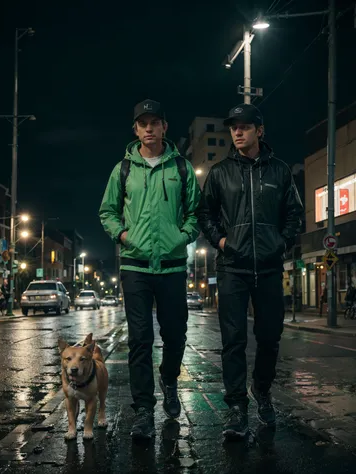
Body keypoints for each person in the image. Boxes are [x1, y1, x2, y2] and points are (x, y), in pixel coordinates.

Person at [197, 103, 303, 439]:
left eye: (244, 126)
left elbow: (294, 213)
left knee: (270, 337)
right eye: (233, 127)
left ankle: (262, 389)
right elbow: (205, 214)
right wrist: (223, 241)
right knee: (233, 341)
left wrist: (280, 243)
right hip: (232, 268)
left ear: (260, 130)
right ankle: (236, 410)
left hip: (270, 267)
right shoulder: (220, 173)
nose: (237, 132)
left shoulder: (280, 172)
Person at [99, 99, 201, 439]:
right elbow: (107, 212)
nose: (148, 128)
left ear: (164, 127)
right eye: (142, 123)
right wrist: (123, 235)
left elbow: (195, 213)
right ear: (135, 129)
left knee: (175, 335)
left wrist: (183, 237)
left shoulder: (182, 168)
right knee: (140, 340)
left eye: (154, 122)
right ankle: (143, 410)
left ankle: (169, 379)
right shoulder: (123, 169)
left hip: (172, 266)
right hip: (135, 266)